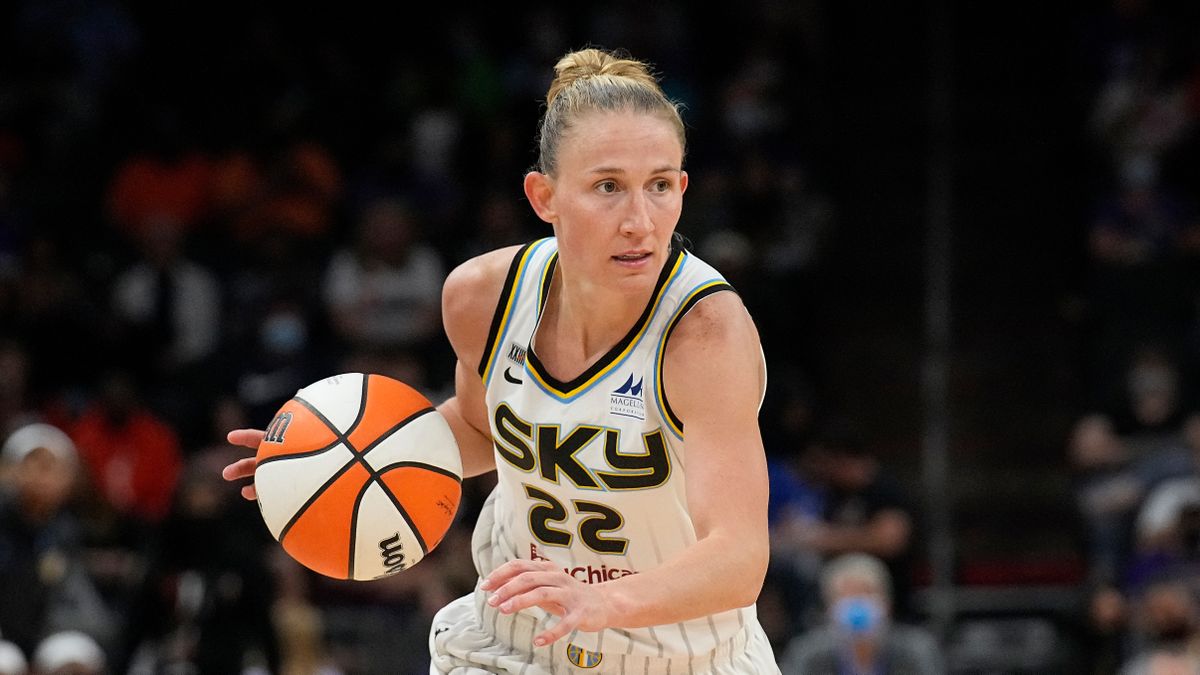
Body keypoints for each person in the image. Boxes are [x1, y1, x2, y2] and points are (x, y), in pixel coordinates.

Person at [223, 46, 780, 673]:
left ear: (682, 187)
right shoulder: (482, 297)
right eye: (607, 187)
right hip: (513, 646)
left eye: (658, 186)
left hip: (682, 658)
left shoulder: (704, 334)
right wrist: (323, 461)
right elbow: (486, 428)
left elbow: (737, 557)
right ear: (544, 197)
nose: (639, 221)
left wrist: (600, 601)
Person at [779, 553, 944, 675]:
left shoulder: (916, 650)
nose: (857, 603)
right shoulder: (806, 654)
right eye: (847, 595)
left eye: (866, 593)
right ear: (829, 608)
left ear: (886, 604)